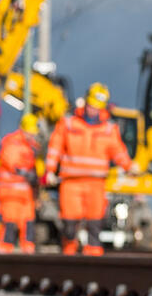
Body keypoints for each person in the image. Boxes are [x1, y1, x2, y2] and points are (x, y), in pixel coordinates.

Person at [45, 83, 136, 256]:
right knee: (70, 223)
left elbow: (117, 151)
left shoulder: (109, 129)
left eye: (96, 107)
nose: (93, 110)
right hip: (71, 181)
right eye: (91, 106)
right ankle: (69, 252)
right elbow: (55, 147)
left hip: (96, 182)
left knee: (95, 221)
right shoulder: (69, 123)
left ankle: (94, 254)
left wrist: (129, 166)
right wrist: (49, 170)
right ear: (85, 102)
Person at [0, 113, 42, 253]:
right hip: (10, 192)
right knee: (10, 221)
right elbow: (12, 162)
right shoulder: (12, 142)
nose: (32, 136)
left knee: (28, 222)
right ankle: (5, 250)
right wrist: (26, 174)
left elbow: (36, 167)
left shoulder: (33, 146)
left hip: (27, 193)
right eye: (30, 133)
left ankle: (28, 250)